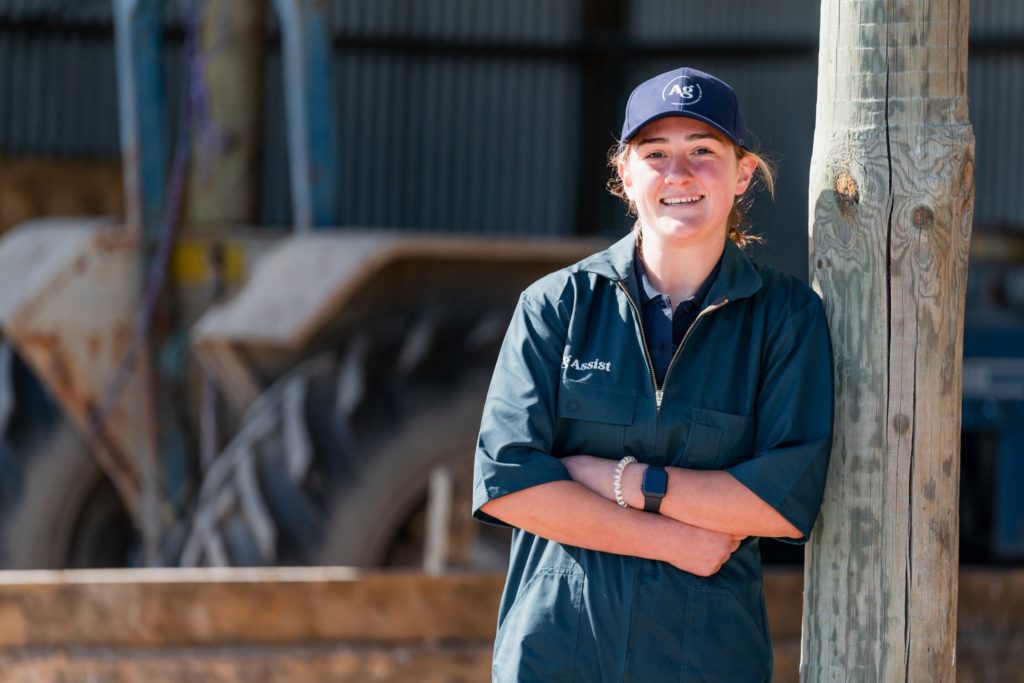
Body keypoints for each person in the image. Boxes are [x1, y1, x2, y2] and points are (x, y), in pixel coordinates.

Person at [472, 66, 833, 682]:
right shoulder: (558, 306)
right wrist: (674, 539)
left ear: (743, 172)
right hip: (556, 657)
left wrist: (626, 481)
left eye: (703, 151)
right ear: (625, 173)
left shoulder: (786, 317)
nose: (679, 174)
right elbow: (510, 484)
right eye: (656, 153)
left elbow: (781, 501)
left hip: (706, 661)